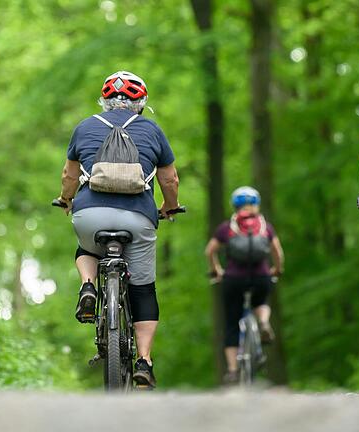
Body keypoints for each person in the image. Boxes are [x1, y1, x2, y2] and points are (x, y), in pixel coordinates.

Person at [56, 71, 181, 387]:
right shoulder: (152, 130)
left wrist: (65, 200)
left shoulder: (84, 127)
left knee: (86, 248)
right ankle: (144, 360)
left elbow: (69, 177)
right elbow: (170, 180)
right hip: (137, 219)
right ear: (141, 103)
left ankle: (88, 285)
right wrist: (168, 206)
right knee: (143, 289)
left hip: (90, 216)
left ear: (104, 101)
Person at [204, 186, 284, 384]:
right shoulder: (265, 226)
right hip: (261, 277)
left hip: (233, 279)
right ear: (256, 204)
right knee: (262, 301)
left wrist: (216, 269)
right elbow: (277, 253)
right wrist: (276, 269)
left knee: (232, 323)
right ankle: (264, 322)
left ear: (234, 205)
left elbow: (210, 251)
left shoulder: (227, 228)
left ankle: (232, 370)